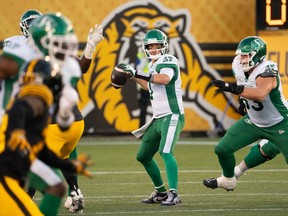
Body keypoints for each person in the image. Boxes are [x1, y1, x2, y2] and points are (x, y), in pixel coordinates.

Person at [0, 59, 91, 216]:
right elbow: (21, 110)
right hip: (5, 176)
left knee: (57, 186)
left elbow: (41, 150)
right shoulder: (32, 101)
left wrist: (71, 167)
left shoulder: (42, 107)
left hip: (13, 174)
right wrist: (17, 130)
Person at [203, 36, 288, 191]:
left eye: (246, 55)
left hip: (281, 122)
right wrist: (242, 100)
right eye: (241, 55)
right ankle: (228, 180)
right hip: (254, 121)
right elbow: (245, 86)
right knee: (222, 149)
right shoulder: (237, 64)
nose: (242, 59)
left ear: (258, 55)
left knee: (270, 149)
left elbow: (260, 93)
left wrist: (233, 88)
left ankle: (238, 170)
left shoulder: (267, 69)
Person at [119, 29, 185, 206]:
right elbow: (148, 86)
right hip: (157, 118)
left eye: (158, 46)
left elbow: (163, 79)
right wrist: (132, 76)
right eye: (151, 46)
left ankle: (174, 194)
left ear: (164, 46)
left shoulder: (169, 59)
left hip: (172, 114)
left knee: (165, 151)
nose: (154, 49)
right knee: (143, 156)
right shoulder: (153, 65)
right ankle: (161, 193)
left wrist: (137, 71)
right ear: (145, 48)